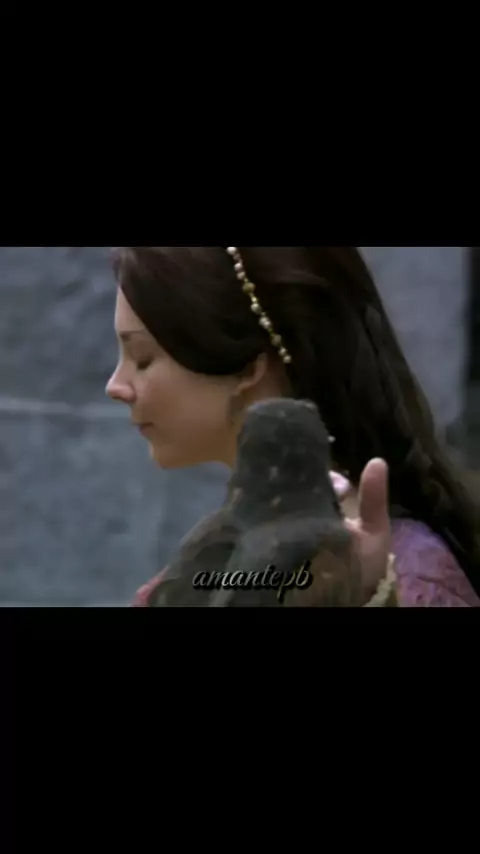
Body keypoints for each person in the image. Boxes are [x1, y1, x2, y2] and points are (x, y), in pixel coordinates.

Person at [105, 247, 480, 607]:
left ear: (248, 368)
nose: (115, 386)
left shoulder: (409, 577)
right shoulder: (206, 560)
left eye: (142, 358)